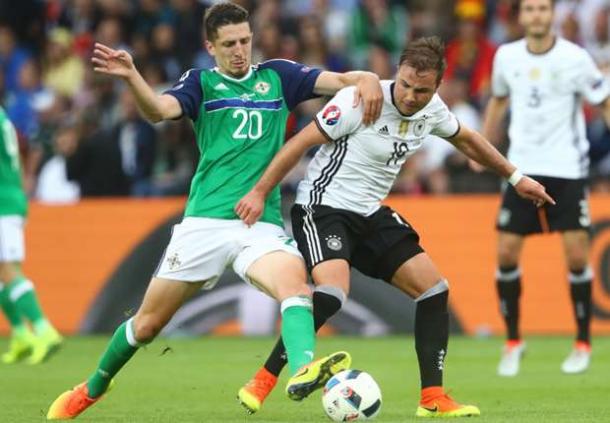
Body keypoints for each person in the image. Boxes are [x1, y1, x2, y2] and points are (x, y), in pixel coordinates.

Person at [46, 2, 384, 420]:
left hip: (259, 224)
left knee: (296, 289)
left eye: (245, 40)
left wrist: (367, 77)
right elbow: (158, 111)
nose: (240, 50)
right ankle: (93, 387)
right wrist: (132, 76)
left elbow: (345, 81)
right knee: (147, 326)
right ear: (211, 46)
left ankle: (301, 370)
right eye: (229, 44)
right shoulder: (201, 83)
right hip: (204, 223)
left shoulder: (278, 76)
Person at [234, 36, 554, 418]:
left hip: (371, 214)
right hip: (322, 208)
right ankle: (263, 380)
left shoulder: (431, 109)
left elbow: (467, 139)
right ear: (396, 75)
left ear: (436, 87)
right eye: (404, 84)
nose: (410, 96)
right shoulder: (359, 101)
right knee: (334, 293)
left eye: (421, 89)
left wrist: (517, 178)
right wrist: (259, 191)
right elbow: (300, 142)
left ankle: (432, 397)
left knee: (434, 290)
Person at [477, 0, 610, 377]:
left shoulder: (575, 58)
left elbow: (602, 101)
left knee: (577, 256)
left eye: (543, 9)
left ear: (552, 15)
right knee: (505, 252)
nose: (537, 15)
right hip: (522, 168)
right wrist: (483, 146)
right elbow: (499, 99)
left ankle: (582, 342)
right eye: (530, 9)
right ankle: (513, 342)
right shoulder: (507, 56)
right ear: (521, 16)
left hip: (566, 167)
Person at [0, 105, 63, 365]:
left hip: (3, 203)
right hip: (10, 197)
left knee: (9, 270)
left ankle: (44, 330)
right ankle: (21, 334)